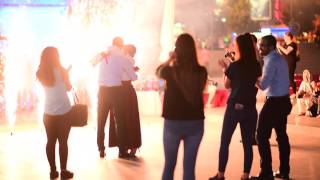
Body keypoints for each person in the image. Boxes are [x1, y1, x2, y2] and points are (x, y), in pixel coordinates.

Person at [209, 33, 262, 180]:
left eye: (235, 44)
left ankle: (221, 174)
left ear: (239, 47)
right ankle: (245, 175)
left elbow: (227, 85)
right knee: (247, 144)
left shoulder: (234, 66)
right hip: (250, 109)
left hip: (233, 108)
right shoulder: (256, 65)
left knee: (225, 142)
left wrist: (225, 69)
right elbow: (255, 81)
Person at [156, 33, 207, 180]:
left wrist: (171, 58)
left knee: (170, 165)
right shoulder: (201, 72)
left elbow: (158, 71)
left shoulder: (170, 71)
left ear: (177, 49)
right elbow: (200, 90)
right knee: (189, 167)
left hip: (173, 122)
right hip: (195, 122)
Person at [252, 35, 292, 180]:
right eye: (259, 45)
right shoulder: (278, 58)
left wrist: (252, 77)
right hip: (284, 101)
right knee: (281, 136)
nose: (259, 48)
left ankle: (266, 172)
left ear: (270, 47)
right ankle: (284, 171)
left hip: (274, 103)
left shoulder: (271, 61)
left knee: (261, 135)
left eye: (262, 45)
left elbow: (263, 85)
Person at [92, 37, 138, 159]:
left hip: (102, 90)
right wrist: (132, 71)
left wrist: (100, 56)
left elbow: (92, 62)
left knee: (101, 120)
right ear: (122, 46)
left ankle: (101, 149)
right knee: (120, 121)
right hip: (116, 91)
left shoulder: (103, 54)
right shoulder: (123, 58)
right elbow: (134, 78)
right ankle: (122, 151)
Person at [36, 47, 74, 179]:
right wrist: (66, 75)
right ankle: (64, 171)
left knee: (50, 141)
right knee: (63, 142)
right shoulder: (63, 71)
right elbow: (69, 88)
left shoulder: (40, 73)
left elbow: (51, 85)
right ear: (56, 56)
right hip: (64, 111)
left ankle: (53, 171)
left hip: (48, 112)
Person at [108, 44, 141, 157]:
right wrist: (133, 71)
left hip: (117, 90)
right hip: (127, 90)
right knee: (130, 118)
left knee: (120, 119)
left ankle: (122, 147)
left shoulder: (116, 60)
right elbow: (134, 77)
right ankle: (131, 146)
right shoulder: (129, 60)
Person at [277, 32, 298, 97]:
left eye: (285, 36)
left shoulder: (293, 44)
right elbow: (282, 53)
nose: (284, 38)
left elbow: (287, 52)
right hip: (285, 63)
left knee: (290, 78)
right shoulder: (285, 44)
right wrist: (278, 47)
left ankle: (294, 93)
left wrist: (280, 47)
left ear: (289, 37)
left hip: (290, 63)